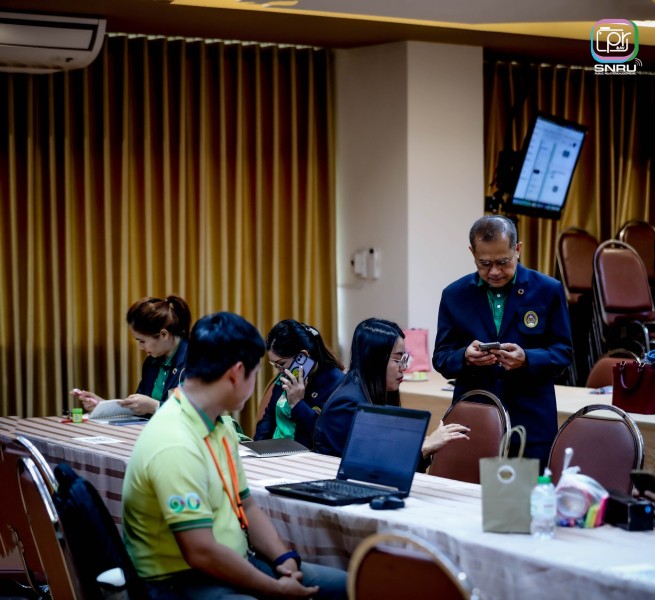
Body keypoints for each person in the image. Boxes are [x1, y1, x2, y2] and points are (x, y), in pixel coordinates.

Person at [122, 311, 347, 599]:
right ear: (237, 373)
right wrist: (275, 588)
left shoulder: (220, 425)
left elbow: (246, 505)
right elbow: (200, 552)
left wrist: (284, 558)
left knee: (349, 585)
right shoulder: (175, 442)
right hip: (181, 581)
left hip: (234, 561)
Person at [432, 215, 573, 469]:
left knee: (519, 495)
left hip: (529, 424)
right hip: (474, 422)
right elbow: (441, 357)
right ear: (472, 253)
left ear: (517, 249)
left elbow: (563, 353)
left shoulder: (547, 290)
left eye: (503, 262)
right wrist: (465, 356)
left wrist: (527, 359)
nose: (494, 272)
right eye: (484, 264)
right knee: (469, 492)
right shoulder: (455, 295)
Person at [314, 318, 469, 468]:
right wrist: (424, 448)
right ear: (375, 360)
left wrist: (421, 444)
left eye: (404, 358)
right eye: (397, 360)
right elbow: (369, 467)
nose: (404, 367)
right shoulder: (347, 404)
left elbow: (384, 452)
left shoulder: (374, 391)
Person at [71, 295, 191, 417]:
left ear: (164, 334)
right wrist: (102, 405)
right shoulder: (151, 363)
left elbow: (196, 414)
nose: (140, 347)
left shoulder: (195, 361)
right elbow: (139, 408)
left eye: (142, 341)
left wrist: (154, 406)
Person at [254, 319, 345, 448]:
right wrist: (258, 448)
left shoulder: (336, 384)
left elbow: (326, 436)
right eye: (274, 364)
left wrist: (297, 403)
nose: (279, 371)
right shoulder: (286, 376)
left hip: (307, 456)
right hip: (276, 453)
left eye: (281, 364)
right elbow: (268, 418)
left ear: (302, 356)